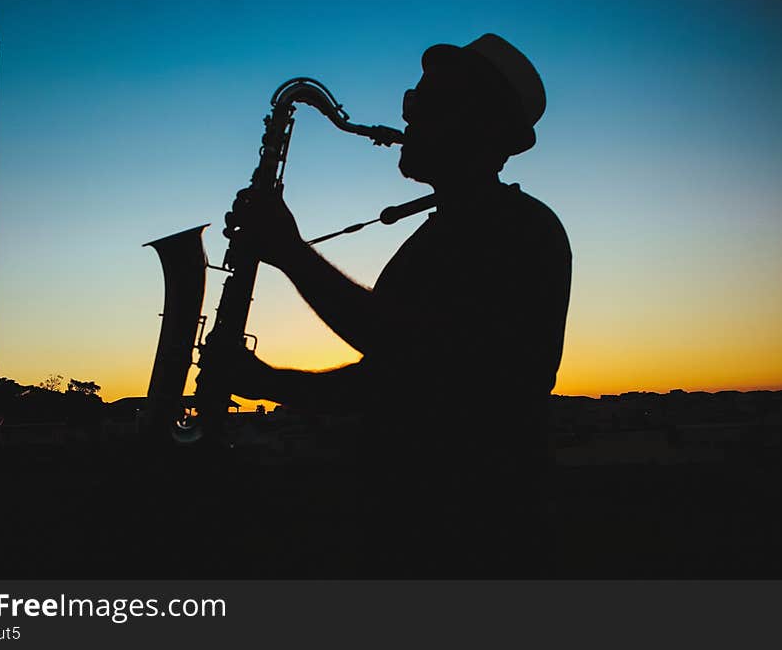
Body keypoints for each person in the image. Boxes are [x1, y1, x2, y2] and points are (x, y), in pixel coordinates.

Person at [222, 34, 572, 576]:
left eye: (424, 106)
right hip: (419, 530)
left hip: (476, 538)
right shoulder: (446, 234)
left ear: (477, 128)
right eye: (412, 103)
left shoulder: (518, 230)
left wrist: (289, 253)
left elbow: (410, 346)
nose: (406, 119)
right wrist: (269, 383)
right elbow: (390, 380)